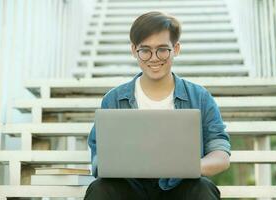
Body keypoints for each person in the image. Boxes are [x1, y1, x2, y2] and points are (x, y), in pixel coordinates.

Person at [84, 11, 230, 200]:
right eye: (145, 50)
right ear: (133, 50)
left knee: (203, 189)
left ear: (176, 49)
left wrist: (188, 167)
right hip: (129, 188)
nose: (154, 58)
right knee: (100, 189)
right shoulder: (114, 100)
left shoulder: (200, 97)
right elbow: (98, 156)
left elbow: (220, 154)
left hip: (180, 187)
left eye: (162, 49)